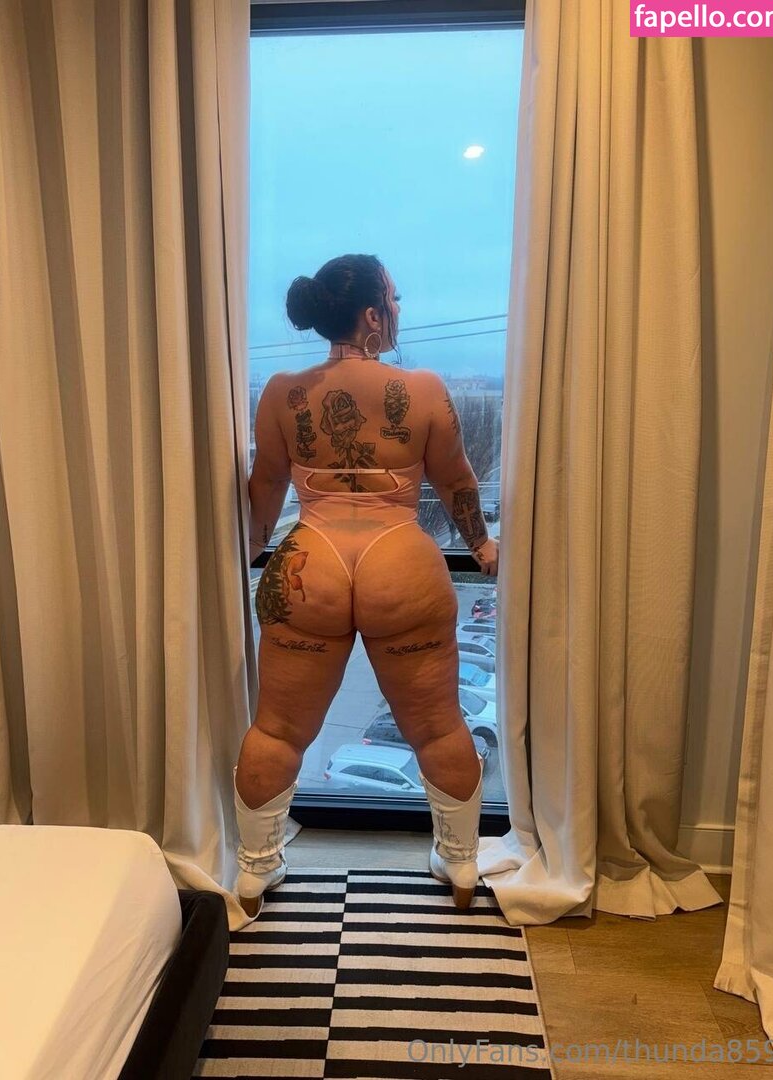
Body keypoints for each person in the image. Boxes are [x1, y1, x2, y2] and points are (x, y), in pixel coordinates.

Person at [233, 254, 499, 920]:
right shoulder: (425, 388)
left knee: (277, 730)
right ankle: (460, 862)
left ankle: (255, 870)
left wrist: (250, 549)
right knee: (439, 728)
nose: (401, 310)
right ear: (374, 316)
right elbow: (457, 482)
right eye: (395, 300)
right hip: (399, 558)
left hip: (310, 561)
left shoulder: (281, 392)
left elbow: (265, 490)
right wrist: (482, 546)